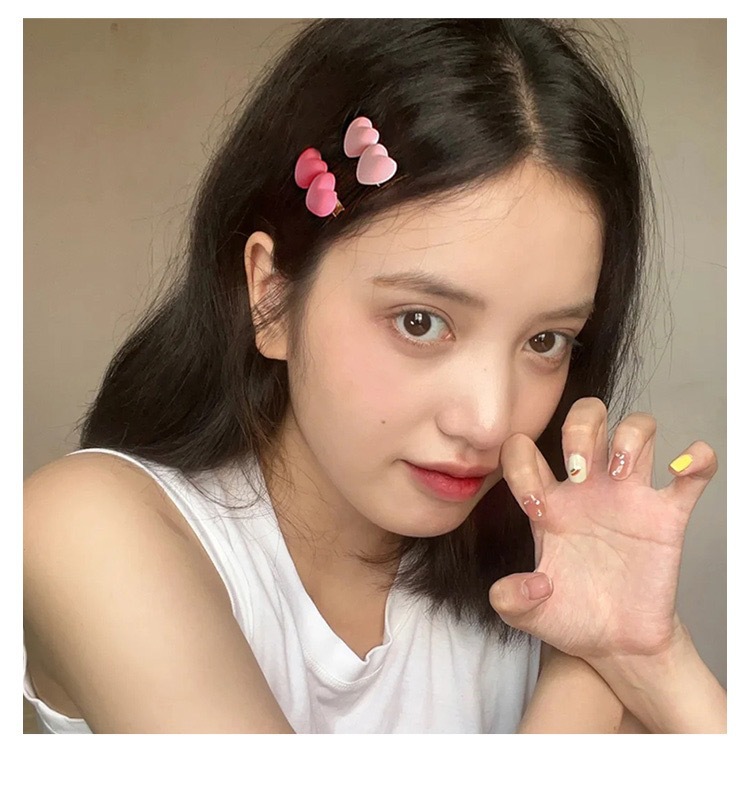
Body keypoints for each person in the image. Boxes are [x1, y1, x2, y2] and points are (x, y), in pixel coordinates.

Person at [23, 18, 726, 734]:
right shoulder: (84, 528)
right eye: (420, 322)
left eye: (546, 340)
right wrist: (584, 678)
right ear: (270, 296)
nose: (489, 422)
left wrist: (648, 655)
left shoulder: (537, 582)